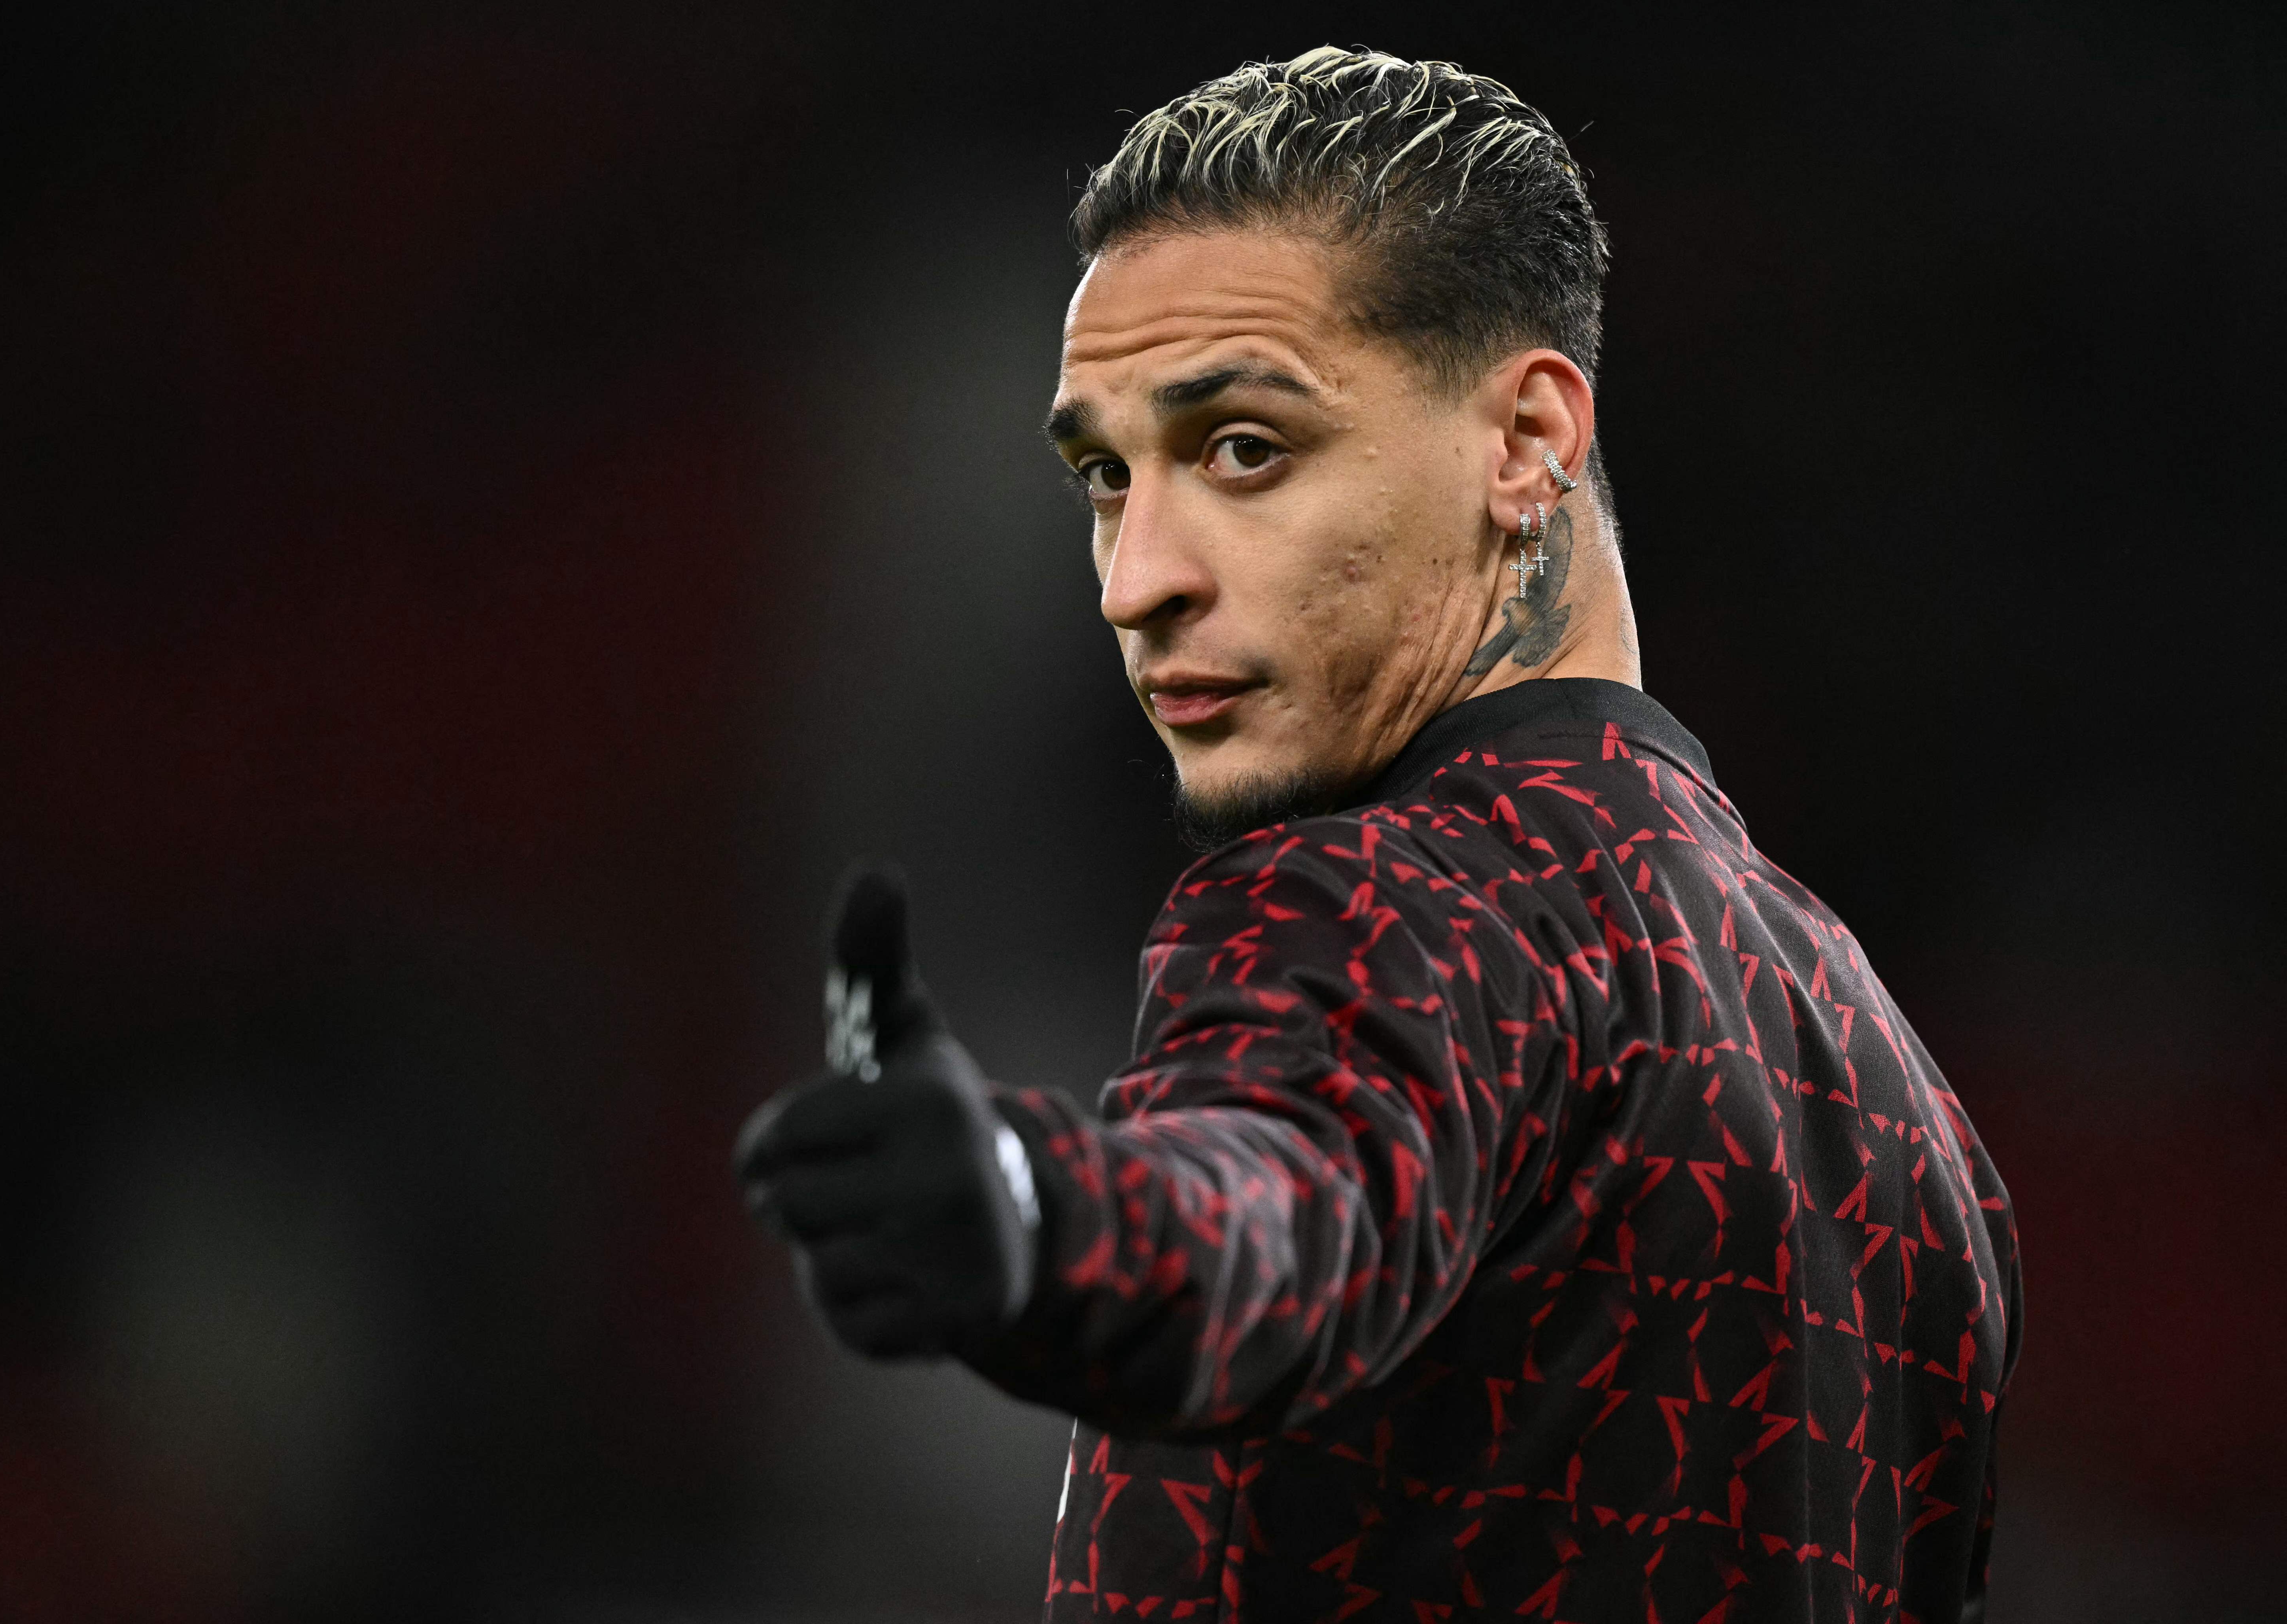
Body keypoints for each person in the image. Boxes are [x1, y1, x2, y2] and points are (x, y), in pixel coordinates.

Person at [735, 46, 2019, 1623]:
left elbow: (1276, 1205)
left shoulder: (1401, 901)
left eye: (1245, 451)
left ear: (1528, 447)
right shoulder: (1910, 1116)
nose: (1136, 578)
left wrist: (1030, 1208)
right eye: (1104, 478)